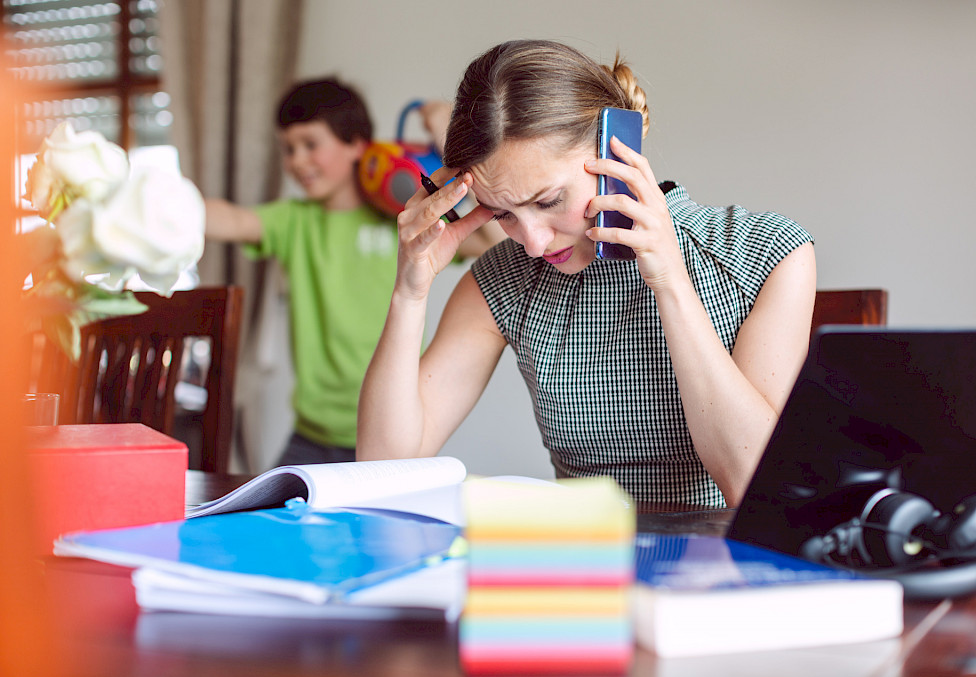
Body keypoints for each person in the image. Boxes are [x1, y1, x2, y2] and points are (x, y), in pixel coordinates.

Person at [357, 40, 816, 507]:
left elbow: (752, 486)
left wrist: (670, 284)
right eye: (502, 215)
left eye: (549, 201)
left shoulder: (765, 251)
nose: (533, 242)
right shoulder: (503, 279)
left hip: (727, 565)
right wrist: (409, 293)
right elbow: (382, 465)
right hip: (581, 564)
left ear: (619, 151)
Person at [206, 78, 502, 467]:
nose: (296, 160)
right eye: (289, 149)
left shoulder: (404, 221)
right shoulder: (294, 221)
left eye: (310, 145)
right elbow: (231, 219)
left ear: (357, 145)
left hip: (391, 435)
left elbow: (496, 242)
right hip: (310, 437)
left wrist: (453, 139)